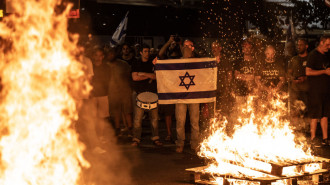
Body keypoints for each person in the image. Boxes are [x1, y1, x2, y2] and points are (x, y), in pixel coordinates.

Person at [131, 44, 163, 147]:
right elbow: (135, 78)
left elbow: (156, 76)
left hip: (152, 94)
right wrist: (149, 76)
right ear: (140, 52)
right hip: (139, 93)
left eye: (148, 51)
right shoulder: (136, 62)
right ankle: (136, 139)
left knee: (154, 119)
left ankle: (155, 138)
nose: (147, 53)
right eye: (145, 51)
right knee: (137, 119)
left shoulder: (152, 63)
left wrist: (142, 74)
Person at [175, 39, 200, 153]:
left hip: (194, 96)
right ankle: (180, 143)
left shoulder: (199, 62)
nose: (185, 48)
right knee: (180, 121)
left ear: (192, 48)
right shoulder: (175, 62)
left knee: (194, 122)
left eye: (188, 46)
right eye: (184, 46)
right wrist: (157, 64)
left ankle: (194, 143)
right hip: (180, 96)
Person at [306, 35, 330, 146]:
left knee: (325, 114)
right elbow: (308, 72)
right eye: (327, 44)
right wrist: (324, 72)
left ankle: (325, 138)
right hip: (315, 90)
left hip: (326, 89)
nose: (328, 47)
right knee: (315, 114)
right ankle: (313, 138)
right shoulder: (313, 55)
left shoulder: (327, 55)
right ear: (321, 42)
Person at [157, 35, 181, 141]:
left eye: (174, 44)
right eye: (172, 45)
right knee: (168, 113)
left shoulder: (182, 58)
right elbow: (160, 54)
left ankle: (180, 136)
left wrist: (180, 44)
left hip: (181, 89)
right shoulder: (166, 59)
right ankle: (169, 134)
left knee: (180, 114)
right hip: (169, 89)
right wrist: (168, 42)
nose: (173, 45)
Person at [106, 47, 133, 137]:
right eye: (109, 54)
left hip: (124, 91)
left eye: (112, 54)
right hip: (112, 92)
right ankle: (118, 130)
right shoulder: (106, 65)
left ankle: (130, 129)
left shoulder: (123, 64)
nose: (111, 55)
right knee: (116, 112)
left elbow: (129, 76)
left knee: (127, 111)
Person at [90, 47, 111, 147]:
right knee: (92, 117)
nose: (98, 58)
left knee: (102, 117)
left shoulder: (106, 67)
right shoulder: (90, 66)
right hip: (91, 96)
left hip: (103, 95)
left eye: (100, 55)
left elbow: (109, 81)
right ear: (93, 56)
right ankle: (93, 137)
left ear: (103, 57)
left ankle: (101, 136)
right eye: (96, 55)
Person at [288, 38, 309, 131]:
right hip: (295, 89)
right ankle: (296, 129)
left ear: (306, 46)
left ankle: (306, 129)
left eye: (301, 45)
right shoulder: (294, 59)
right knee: (295, 111)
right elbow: (288, 73)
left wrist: (305, 78)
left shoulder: (310, 59)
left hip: (307, 90)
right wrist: (292, 78)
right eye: (298, 45)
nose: (298, 47)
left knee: (306, 111)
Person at [233, 40, 256, 110]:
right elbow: (237, 76)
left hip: (252, 92)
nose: (247, 50)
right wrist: (249, 77)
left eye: (249, 48)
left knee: (252, 114)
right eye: (245, 48)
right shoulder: (238, 61)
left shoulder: (255, 62)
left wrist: (243, 76)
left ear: (252, 50)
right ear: (242, 50)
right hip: (240, 92)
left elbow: (255, 76)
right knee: (240, 114)